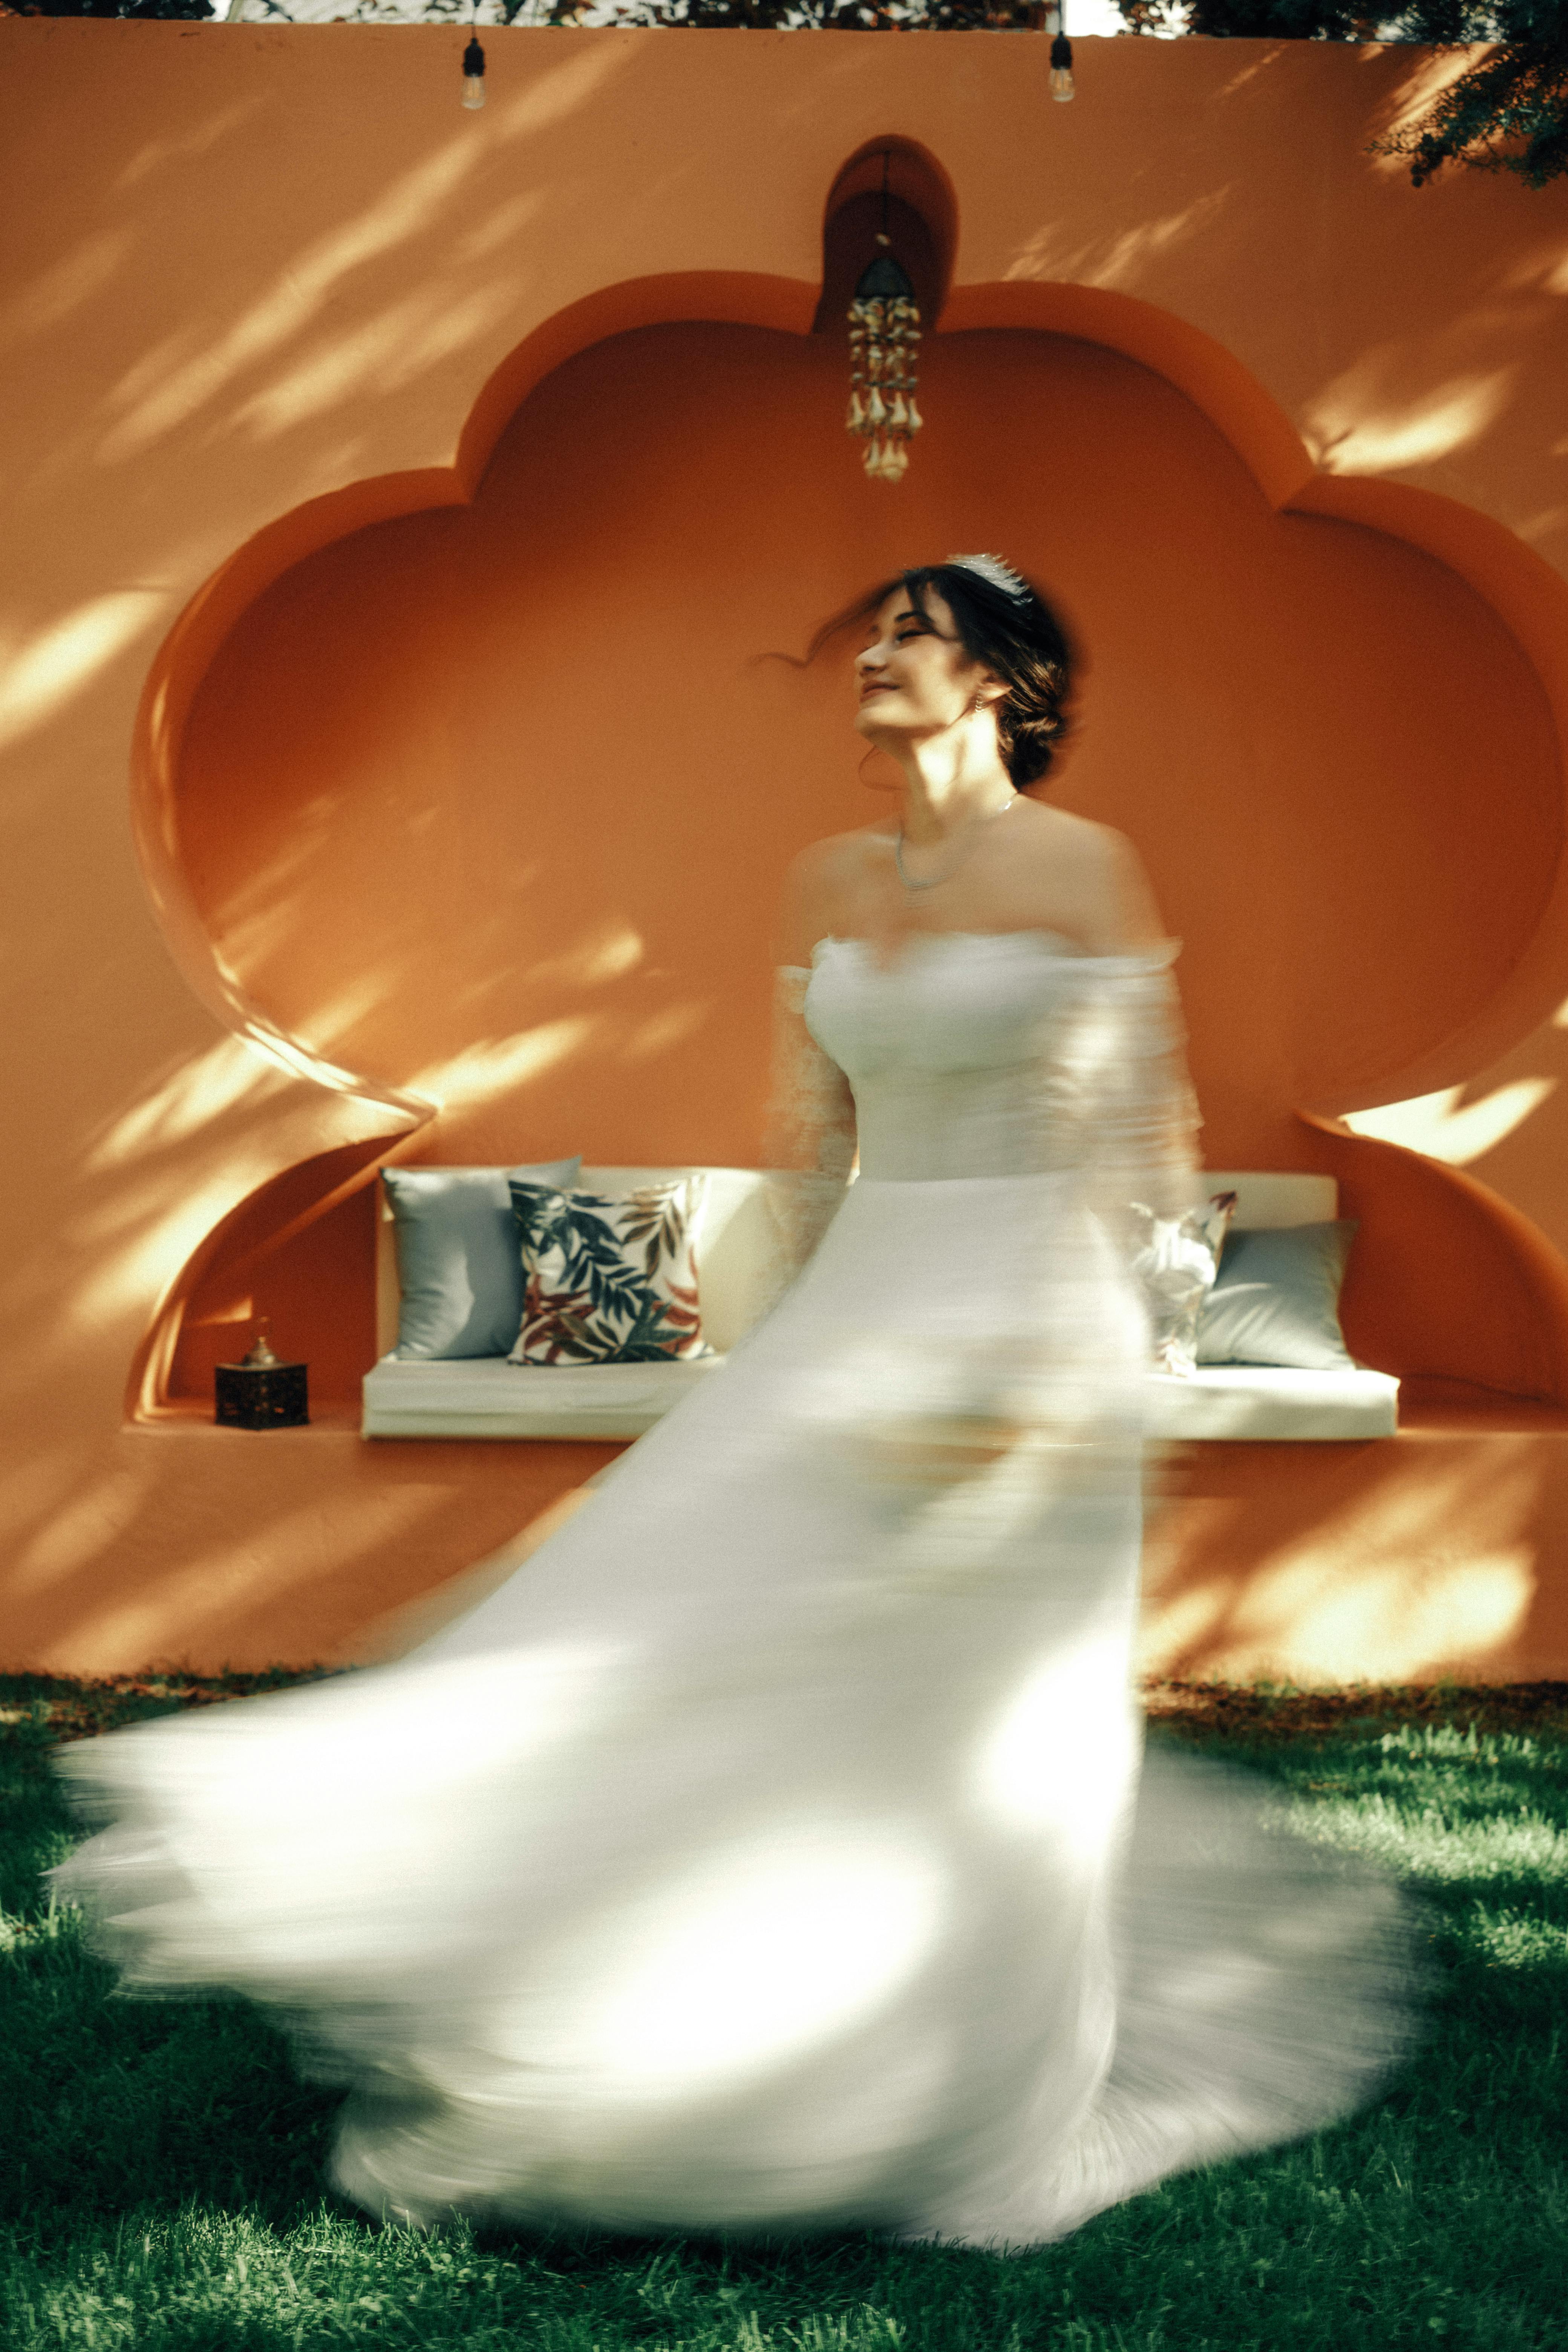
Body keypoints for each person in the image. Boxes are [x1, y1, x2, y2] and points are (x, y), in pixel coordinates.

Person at [52, 556, 1412, 2250]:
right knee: (672, 1631)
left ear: (1000, 682)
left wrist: (1085, 1382)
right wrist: (781, 1354)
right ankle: (646, 2029)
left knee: (970, 1720)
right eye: (876, 631)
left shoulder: (1085, 869)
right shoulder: (828, 877)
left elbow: (1143, 1145)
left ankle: (948, 2088)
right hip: (859, 1310)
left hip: (1032, 1322)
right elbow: (813, 1148)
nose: (876, 656)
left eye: (915, 634)